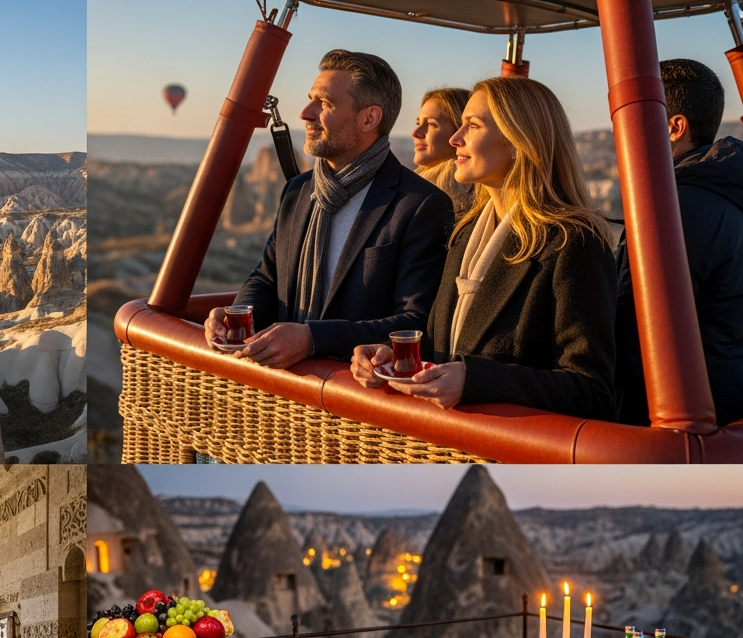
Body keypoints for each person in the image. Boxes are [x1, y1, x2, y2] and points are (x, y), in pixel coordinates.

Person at [350, 77, 617, 420]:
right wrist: (394, 358)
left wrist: (475, 380)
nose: (454, 139)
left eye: (472, 126)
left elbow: (591, 389)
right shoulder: (465, 234)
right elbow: (444, 349)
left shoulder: (573, 243)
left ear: (520, 140)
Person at [206, 49, 452, 366]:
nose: (305, 113)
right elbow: (267, 279)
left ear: (369, 118)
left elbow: (415, 322)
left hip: (352, 398)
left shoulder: (420, 205)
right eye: (311, 100)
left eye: (324, 104)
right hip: (281, 394)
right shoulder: (297, 191)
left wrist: (312, 339)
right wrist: (237, 315)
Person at [615, 59, 743, 427]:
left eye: (628, 117)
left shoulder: (678, 207)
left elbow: (635, 326)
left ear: (675, 127)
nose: (618, 133)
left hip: (678, 418)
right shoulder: (723, 191)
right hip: (726, 401)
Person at [412, 87, 474, 215]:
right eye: (419, 123)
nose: (416, 133)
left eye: (431, 124)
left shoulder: (430, 198)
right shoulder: (414, 184)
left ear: (459, 131)